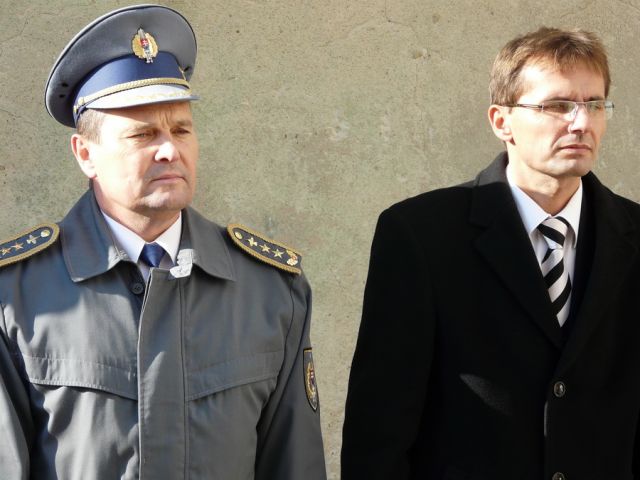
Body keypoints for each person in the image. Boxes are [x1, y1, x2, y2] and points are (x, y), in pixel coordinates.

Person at [0, 5, 326, 479]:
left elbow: (295, 465)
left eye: (181, 129)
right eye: (143, 134)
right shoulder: (16, 296)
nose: (170, 149)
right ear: (85, 153)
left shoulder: (270, 291)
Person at [342, 27, 640, 479]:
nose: (581, 122)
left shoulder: (632, 236)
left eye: (594, 104)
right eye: (558, 105)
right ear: (502, 121)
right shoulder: (420, 235)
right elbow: (378, 430)